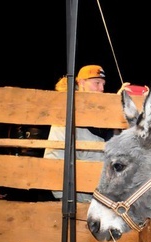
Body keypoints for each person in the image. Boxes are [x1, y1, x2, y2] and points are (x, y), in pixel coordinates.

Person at [44, 65, 110, 201]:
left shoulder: (103, 115)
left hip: (102, 198)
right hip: (78, 200)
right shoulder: (66, 113)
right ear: (81, 83)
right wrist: (65, 199)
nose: (102, 89)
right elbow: (54, 158)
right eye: (96, 83)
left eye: (103, 84)